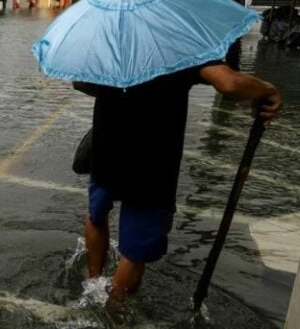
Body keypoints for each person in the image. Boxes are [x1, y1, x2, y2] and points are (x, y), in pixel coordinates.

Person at [73, 61, 281, 301]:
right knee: (134, 252)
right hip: (153, 167)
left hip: (106, 149)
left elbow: (80, 83)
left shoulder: (110, 41)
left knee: (96, 215)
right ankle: (112, 313)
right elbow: (229, 83)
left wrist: (121, 90)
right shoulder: (182, 44)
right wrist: (267, 90)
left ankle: (93, 284)